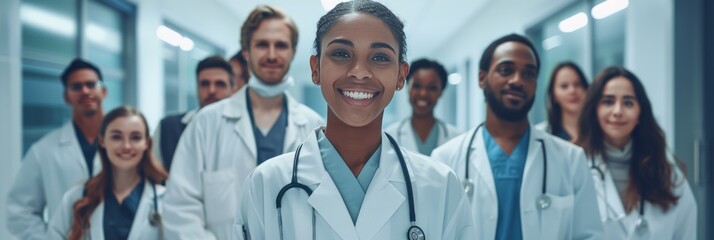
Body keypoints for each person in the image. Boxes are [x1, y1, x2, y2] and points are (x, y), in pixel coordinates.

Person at [234, 1, 475, 239]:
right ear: (315, 68)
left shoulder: (441, 186)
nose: (359, 71)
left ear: (401, 76)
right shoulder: (266, 185)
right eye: (341, 53)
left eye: (380, 57)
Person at [162, 5, 324, 240]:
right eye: (261, 44)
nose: (271, 54)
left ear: (292, 51)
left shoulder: (313, 126)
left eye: (280, 45)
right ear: (246, 51)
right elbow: (180, 207)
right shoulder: (206, 123)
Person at [431, 34, 603, 239]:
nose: (517, 80)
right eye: (506, 70)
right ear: (482, 78)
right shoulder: (445, 159)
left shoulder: (571, 158)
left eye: (529, 74)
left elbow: (590, 235)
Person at [576, 67, 696, 239]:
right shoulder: (574, 168)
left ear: (640, 113)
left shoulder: (667, 174)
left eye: (628, 103)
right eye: (608, 102)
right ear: (594, 111)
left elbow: (686, 231)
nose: (617, 111)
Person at [6, 58, 107, 240]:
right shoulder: (43, 150)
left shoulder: (127, 146)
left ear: (104, 91)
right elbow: (19, 211)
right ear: (66, 96)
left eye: (91, 84)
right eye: (76, 87)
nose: (85, 91)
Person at [48, 106, 168, 240]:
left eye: (135, 137)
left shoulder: (165, 200)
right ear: (102, 141)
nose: (126, 146)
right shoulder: (77, 197)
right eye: (117, 137)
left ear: (147, 143)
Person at [151, 56, 234, 172]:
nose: (211, 90)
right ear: (197, 87)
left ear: (232, 89)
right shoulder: (167, 128)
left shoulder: (243, 129)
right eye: (205, 84)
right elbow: (154, 172)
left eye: (220, 84)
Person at [385, 58, 460, 155]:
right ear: (408, 88)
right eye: (417, 86)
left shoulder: (456, 138)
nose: (423, 93)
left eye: (432, 87)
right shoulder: (389, 136)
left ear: (441, 92)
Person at [535, 61, 589, 142]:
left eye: (577, 84)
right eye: (564, 86)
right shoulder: (539, 135)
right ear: (554, 96)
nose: (572, 91)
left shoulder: (602, 131)